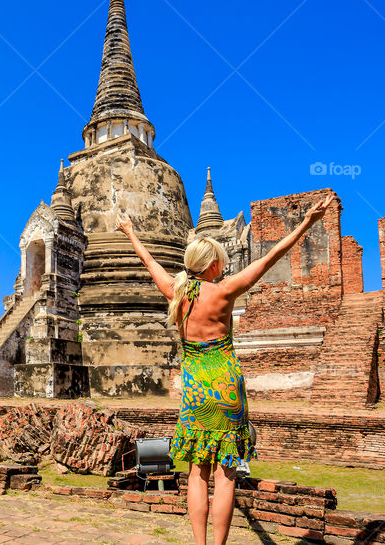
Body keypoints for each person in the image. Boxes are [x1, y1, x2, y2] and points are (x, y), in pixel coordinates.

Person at [116, 193, 334, 545]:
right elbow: (271, 256)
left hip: (195, 386)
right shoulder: (224, 291)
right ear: (212, 264)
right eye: (220, 260)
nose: (224, 265)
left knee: (197, 473)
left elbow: (147, 259)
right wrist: (307, 223)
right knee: (226, 473)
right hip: (226, 383)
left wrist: (129, 231)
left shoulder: (175, 292)